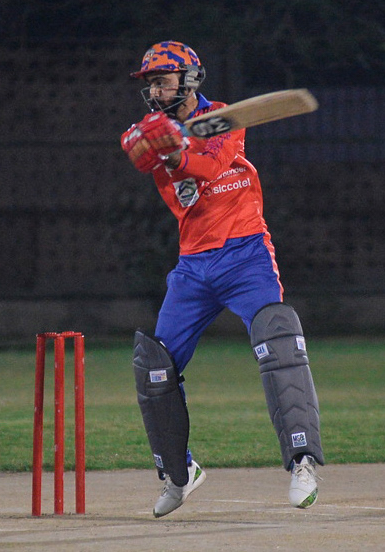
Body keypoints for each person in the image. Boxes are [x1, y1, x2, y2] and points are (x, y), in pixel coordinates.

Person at [120, 40, 325, 518]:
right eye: (151, 84)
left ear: (190, 79)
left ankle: (302, 462)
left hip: (245, 254)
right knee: (155, 366)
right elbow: (139, 153)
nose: (156, 90)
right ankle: (180, 473)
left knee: (278, 341)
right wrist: (144, 141)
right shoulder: (154, 127)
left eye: (163, 80)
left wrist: (176, 148)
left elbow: (211, 165)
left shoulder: (224, 118)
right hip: (193, 265)